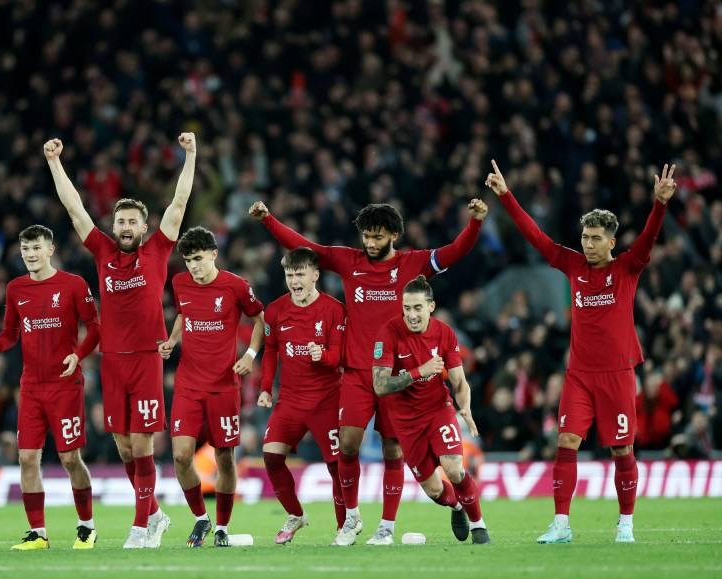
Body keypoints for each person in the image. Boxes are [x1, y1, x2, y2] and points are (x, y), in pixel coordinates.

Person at [250, 197, 487, 546]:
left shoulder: (413, 263)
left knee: (393, 450)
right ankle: (351, 518)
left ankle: (389, 526)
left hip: (397, 379)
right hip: (358, 374)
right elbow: (305, 246)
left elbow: (455, 251)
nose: (370, 243)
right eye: (366, 236)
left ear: (394, 234)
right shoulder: (349, 261)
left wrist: (476, 222)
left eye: (377, 237)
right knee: (347, 444)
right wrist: (268, 220)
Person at [485, 160, 676, 544]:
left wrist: (659, 205)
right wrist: (506, 196)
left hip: (618, 373)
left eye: (594, 238)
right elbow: (536, 237)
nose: (587, 244)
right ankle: (561, 524)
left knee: (622, 448)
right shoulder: (572, 265)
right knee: (566, 442)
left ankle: (625, 524)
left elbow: (649, 239)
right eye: (584, 237)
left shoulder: (627, 267)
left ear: (611, 242)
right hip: (579, 375)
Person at [45, 132, 197, 548]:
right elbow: (74, 207)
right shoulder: (101, 252)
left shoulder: (158, 250)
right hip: (111, 360)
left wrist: (190, 154)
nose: (126, 227)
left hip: (146, 358)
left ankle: (140, 526)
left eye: (133, 222)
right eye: (121, 221)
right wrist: (55, 162)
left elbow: (179, 202)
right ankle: (156, 515)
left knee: (143, 445)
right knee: (126, 450)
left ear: (144, 227)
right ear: (114, 226)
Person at [0, 224, 101, 550]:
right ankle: (38, 533)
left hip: (65, 386)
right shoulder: (16, 289)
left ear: (50, 250)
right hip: (30, 387)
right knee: (27, 458)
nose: (30, 255)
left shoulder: (72, 285)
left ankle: (86, 526)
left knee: (70, 459)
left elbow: (95, 329)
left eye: (36, 248)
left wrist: (78, 355)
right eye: (25, 249)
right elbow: (10, 334)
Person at [157, 226, 264, 548]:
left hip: (223, 386)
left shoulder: (235, 286)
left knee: (225, 459)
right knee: (180, 456)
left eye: (199, 259)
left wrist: (249, 354)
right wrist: (173, 339)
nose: (193, 266)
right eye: (188, 260)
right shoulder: (180, 283)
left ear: (214, 255)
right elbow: (182, 314)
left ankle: (222, 527)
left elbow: (261, 319)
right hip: (189, 384)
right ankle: (201, 519)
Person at [372, 275, 490, 545]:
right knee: (434, 489)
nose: (411, 315)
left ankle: (479, 526)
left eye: (417, 308)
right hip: (405, 422)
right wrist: (418, 372)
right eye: (406, 308)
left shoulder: (445, 333)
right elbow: (379, 385)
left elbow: (459, 381)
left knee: (454, 468)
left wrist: (466, 407)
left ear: (431, 306)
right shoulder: (388, 333)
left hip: (439, 410)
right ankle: (457, 507)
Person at [257, 248, 347, 545]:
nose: (294, 281)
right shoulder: (275, 311)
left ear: (315, 275)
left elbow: (339, 357)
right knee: (271, 456)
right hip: (291, 399)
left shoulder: (334, 309)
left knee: (336, 466)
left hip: (326, 398)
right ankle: (295, 515)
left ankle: (343, 527)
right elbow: (270, 351)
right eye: (289, 275)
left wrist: (324, 355)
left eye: (300, 274)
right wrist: (265, 388)